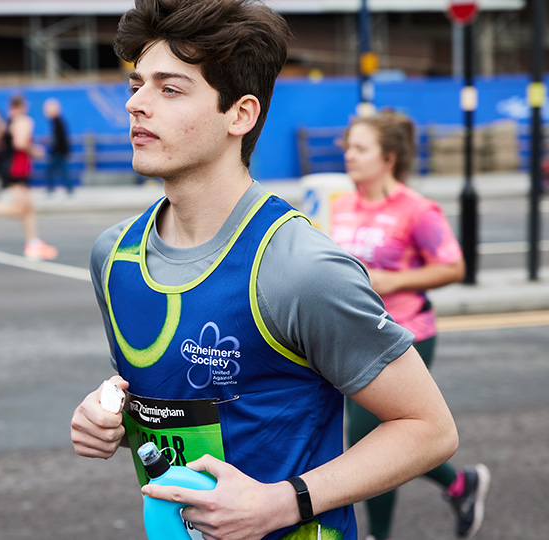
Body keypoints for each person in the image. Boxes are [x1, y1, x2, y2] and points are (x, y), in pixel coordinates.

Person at [70, 2, 458, 540]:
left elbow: (429, 429)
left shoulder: (300, 267)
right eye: (137, 84)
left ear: (241, 115)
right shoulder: (114, 256)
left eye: (170, 88)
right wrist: (108, 414)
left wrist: (282, 503)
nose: (136, 104)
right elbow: (171, 399)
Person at [331, 110, 491, 540]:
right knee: (387, 439)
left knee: (373, 442)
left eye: (360, 148)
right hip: (351, 337)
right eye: (348, 146)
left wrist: (393, 280)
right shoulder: (341, 205)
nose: (350, 155)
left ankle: (378, 535)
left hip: (404, 336)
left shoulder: (417, 210)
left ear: (388, 158)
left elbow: (454, 266)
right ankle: (462, 484)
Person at [0, 95, 58, 261]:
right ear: (23, 105)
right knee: (20, 209)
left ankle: (33, 244)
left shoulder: (5, 122)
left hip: (10, 167)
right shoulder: (24, 121)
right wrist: (36, 151)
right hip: (17, 168)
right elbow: (20, 143)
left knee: (29, 208)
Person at [42, 98, 72, 195]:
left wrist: (49, 142)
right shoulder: (58, 121)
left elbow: (58, 139)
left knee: (52, 171)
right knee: (63, 171)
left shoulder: (57, 122)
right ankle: (68, 189)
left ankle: (53, 189)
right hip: (60, 151)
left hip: (58, 152)